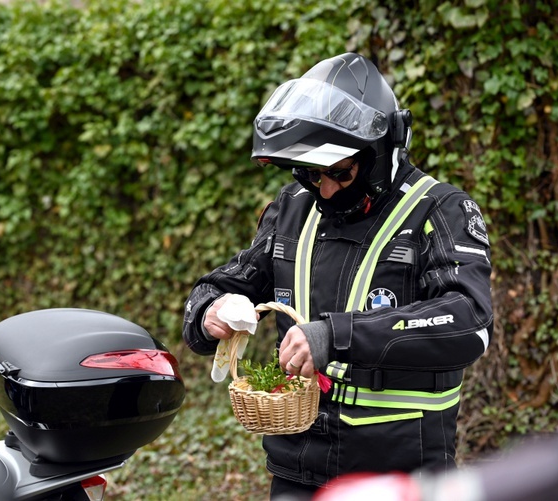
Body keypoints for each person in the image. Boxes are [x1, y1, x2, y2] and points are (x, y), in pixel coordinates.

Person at [182, 52, 493, 499]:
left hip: (400, 473)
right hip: (297, 468)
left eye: (340, 173)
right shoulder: (292, 208)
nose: (324, 188)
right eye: (310, 174)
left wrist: (337, 335)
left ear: (381, 151)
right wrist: (211, 313)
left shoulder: (439, 210)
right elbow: (222, 285)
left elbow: (469, 322)